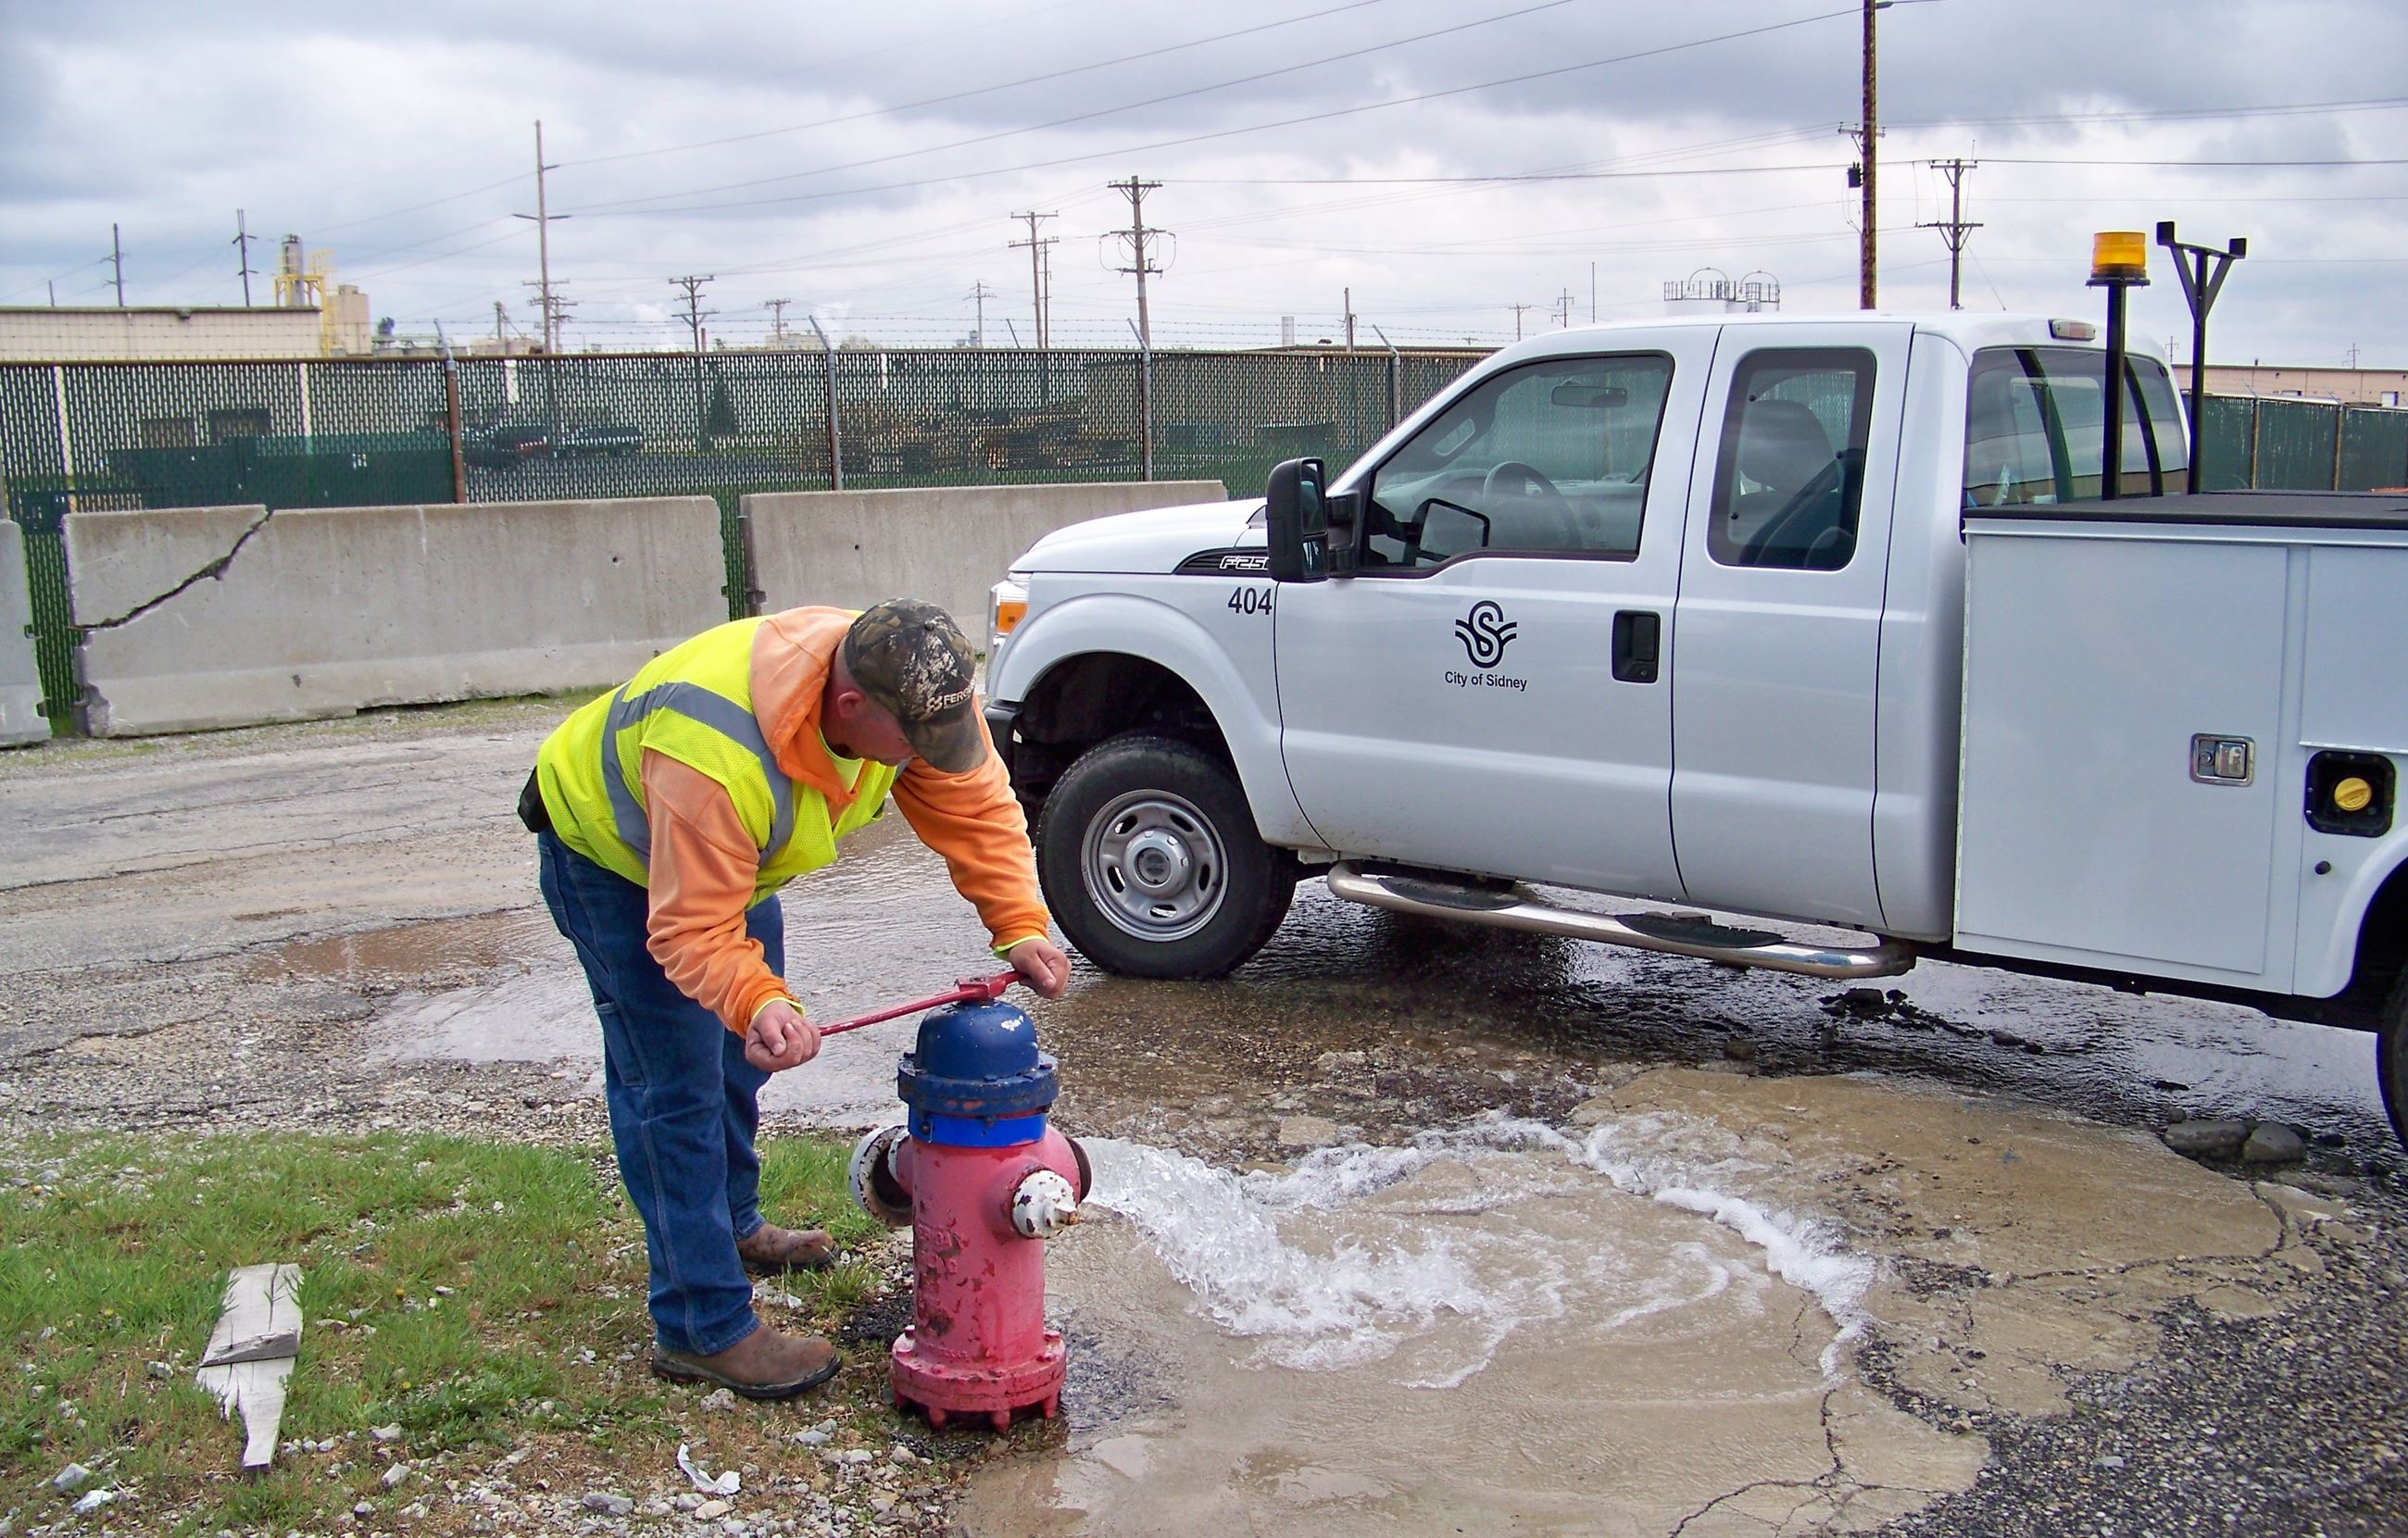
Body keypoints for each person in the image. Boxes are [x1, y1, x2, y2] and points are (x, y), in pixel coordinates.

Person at [520, 599, 1071, 1399]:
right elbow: (691, 928)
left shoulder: (915, 681)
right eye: (913, 743)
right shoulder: (714, 749)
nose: (926, 753)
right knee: (672, 1088)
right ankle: (700, 1325)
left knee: (738, 1067)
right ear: (850, 709)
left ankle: (734, 1223)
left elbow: (974, 803)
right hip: (617, 859)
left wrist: (1018, 923)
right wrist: (756, 999)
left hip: (727, 862)